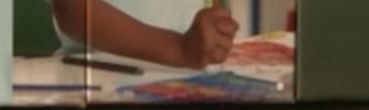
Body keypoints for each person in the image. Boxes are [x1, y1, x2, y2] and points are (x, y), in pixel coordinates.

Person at [47, 0, 239, 69]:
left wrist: (214, 37)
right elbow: (72, 9)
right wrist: (178, 49)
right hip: (97, 79)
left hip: (187, 79)